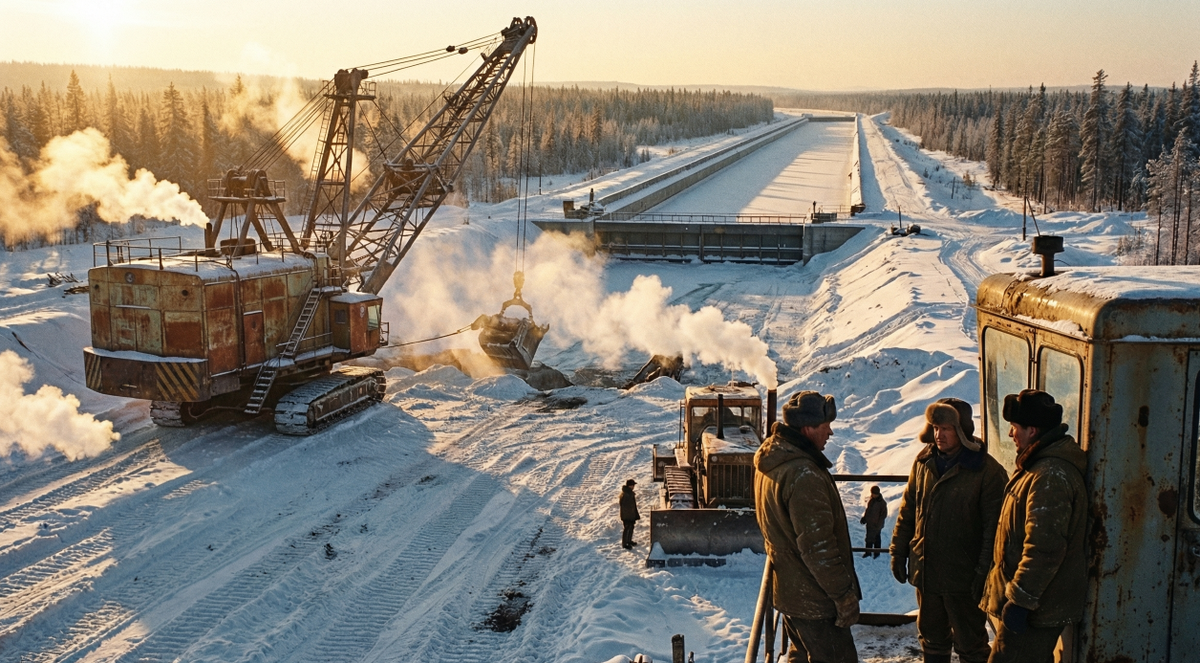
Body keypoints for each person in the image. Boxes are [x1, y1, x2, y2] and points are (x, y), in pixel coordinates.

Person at [890, 398, 1007, 663]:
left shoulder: (987, 472)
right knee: (931, 638)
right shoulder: (923, 463)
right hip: (927, 573)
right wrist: (898, 551)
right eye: (934, 427)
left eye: (946, 428)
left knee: (971, 643)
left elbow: (994, 531)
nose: (938, 435)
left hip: (963, 578)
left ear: (962, 430)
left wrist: (983, 573)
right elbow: (909, 510)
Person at [755, 391, 861, 663]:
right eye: (825, 427)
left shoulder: (773, 462)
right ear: (807, 429)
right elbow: (819, 549)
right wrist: (843, 596)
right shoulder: (804, 475)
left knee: (800, 656)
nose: (830, 433)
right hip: (816, 602)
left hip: (792, 593)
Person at [983, 389, 1087, 663]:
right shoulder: (1039, 467)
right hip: (1033, 607)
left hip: (1035, 610)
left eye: (1014, 427)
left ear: (1032, 429)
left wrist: (1020, 601)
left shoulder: (1049, 475)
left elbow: (1044, 548)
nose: (1010, 434)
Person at [860, 486, 887, 558]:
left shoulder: (882, 503)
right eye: (872, 493)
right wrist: (865, 518)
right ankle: (868, 552)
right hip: (870, 524)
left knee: (876, 539)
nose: (873, 495)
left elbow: (883, 515)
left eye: (875, 494)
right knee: (868, 538)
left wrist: (878, 525)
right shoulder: (871, 501)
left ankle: (877, 553)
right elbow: (868, 510)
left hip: (877, 525)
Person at [619, 479, 640, 549]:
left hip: (630, 514)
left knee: (631, 527)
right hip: (627, 515)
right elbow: (624, 506)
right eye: (633, 485)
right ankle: (625, 543)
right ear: (629, 485)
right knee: (627, 528)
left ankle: (629, 541)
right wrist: (629, 515)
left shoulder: (629, 493)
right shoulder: (627, 494)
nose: (634, 486)